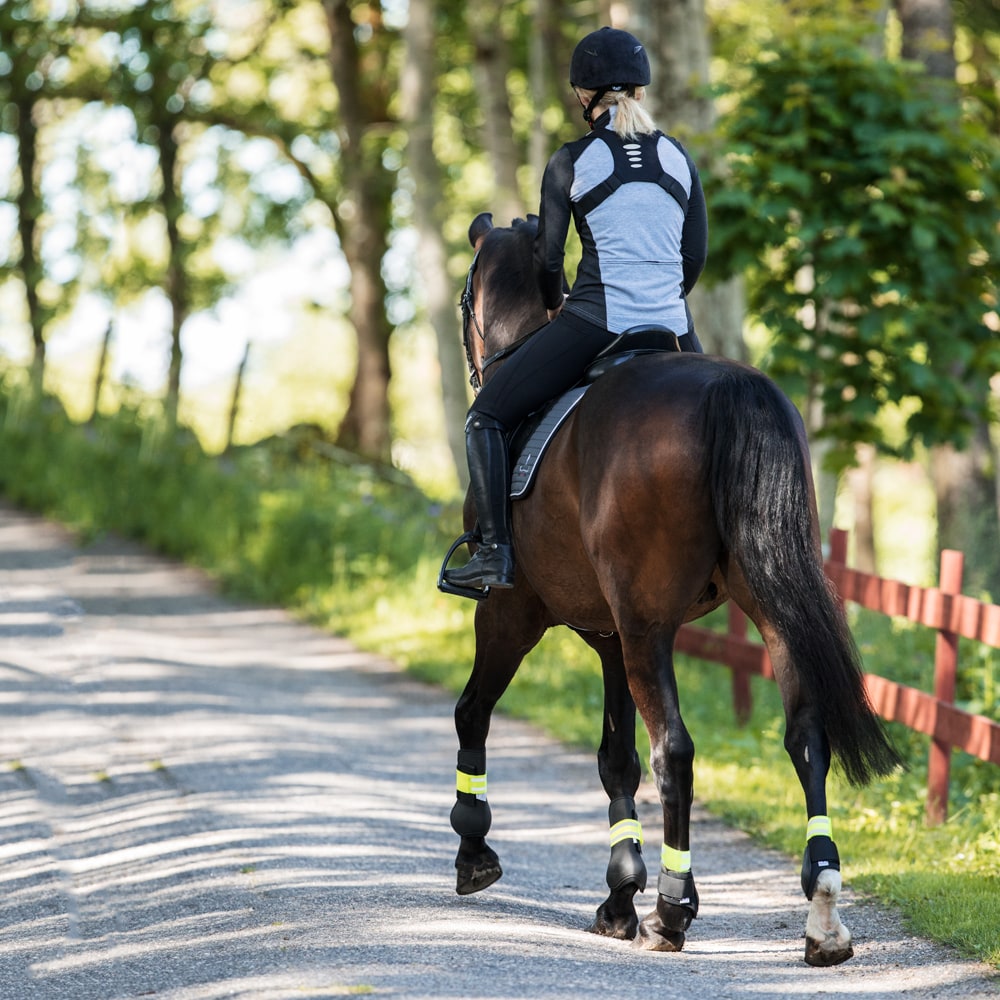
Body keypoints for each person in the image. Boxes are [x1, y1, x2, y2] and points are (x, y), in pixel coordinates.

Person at [443, 26, 708, 594]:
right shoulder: (679, 157)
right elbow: (694, 257)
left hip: (597, 324)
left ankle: (493, 555)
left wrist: (558, 301)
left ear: (584, 97)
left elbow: (547, 259)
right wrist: (660, 298)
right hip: (675, 330)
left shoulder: (571, 161)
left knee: (485, 416)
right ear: (640, 89)